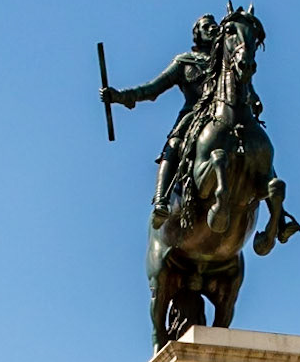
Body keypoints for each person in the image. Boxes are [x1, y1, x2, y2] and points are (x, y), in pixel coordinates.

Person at [101, 14, 238, 225]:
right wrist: (119, 96)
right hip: (193, 116)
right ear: (198, 35)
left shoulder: (227, 62)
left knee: (254, 139)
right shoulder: (184, 62)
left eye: (214, 26)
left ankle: (278, 211)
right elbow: (152, 88)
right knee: (174, 144)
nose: (212, 29)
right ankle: (161, 200)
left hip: (228, 116)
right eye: (206, 27)